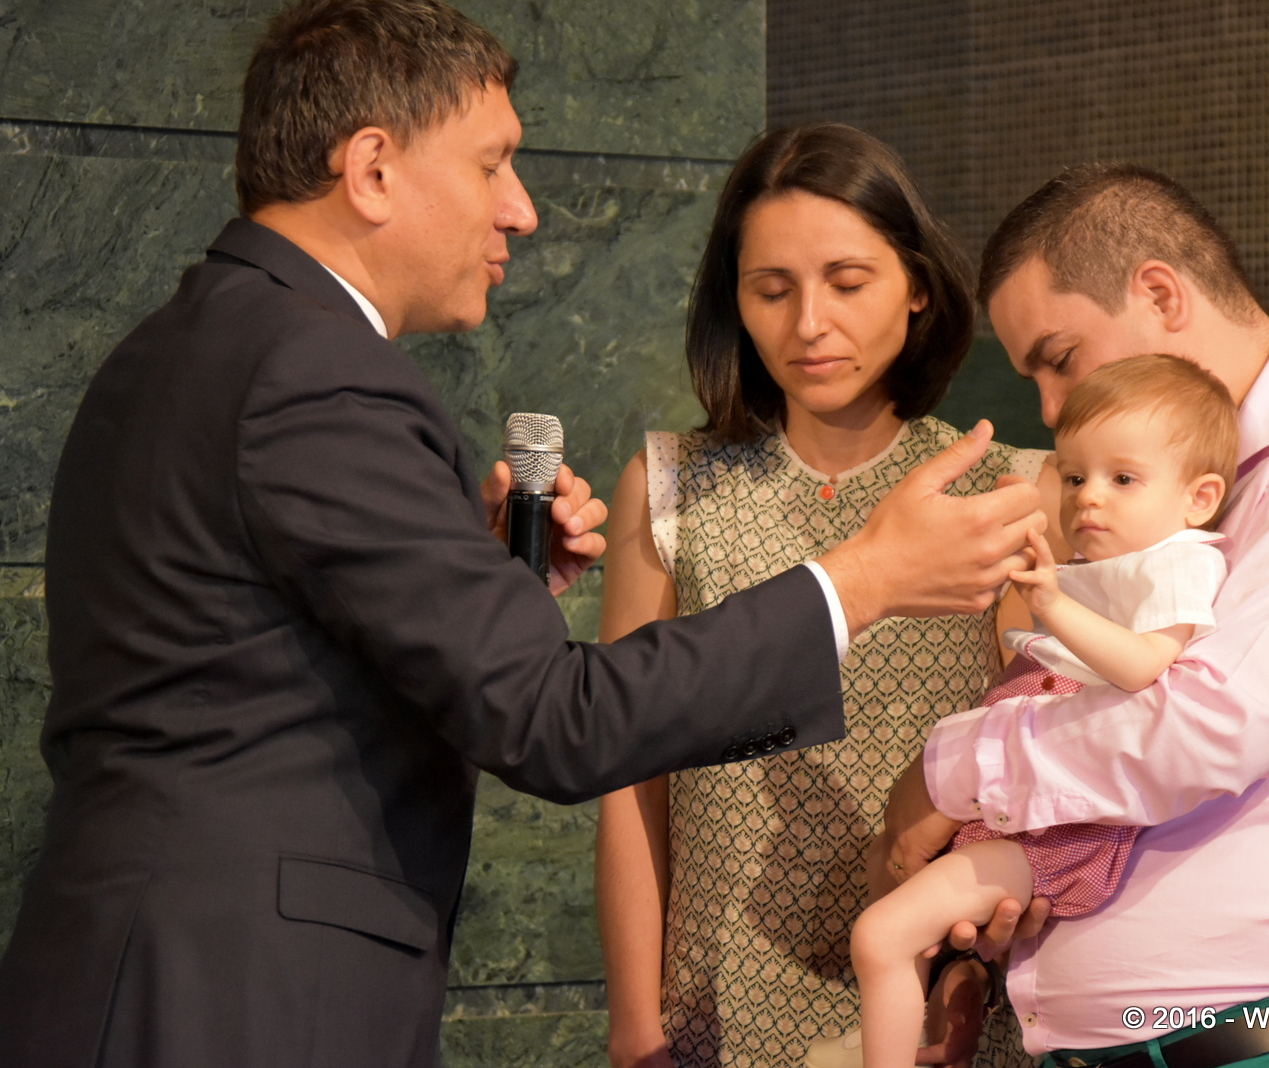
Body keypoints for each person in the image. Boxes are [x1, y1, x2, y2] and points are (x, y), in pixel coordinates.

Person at [0, 5, 1045, 1067]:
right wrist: (859, 580)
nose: (523, 210)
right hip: (227, 993)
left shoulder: (191, 341)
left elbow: (261, 652)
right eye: (492, 162)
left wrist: (481, 577)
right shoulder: (313, 373)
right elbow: (556, 722)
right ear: (372, 170)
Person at [876, 163, 1269, 1067]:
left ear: (1161, 294)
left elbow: (1207, 726)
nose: (1051, 409)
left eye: (1059, 358)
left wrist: (955, 769)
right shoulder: (1127, 499)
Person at [595, 123, 1052, 1068]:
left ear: (917, 285)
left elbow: (1042, 752)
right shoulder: (672, 486)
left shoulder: (1007, 490)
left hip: (942, 1004)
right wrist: (636, 1022)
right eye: (772, 290)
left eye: (847, 283)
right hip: (718, 1002)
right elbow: (628, 775)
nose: (809, 324)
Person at [838, 354, 1234, 1068]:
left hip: (1051, 826)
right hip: (1015, 801)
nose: (1089, 499)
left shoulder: (1182, 560)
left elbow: (1142, 665)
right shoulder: (1101, 567)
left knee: (881, 935)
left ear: (1199, 497)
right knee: (895, 884)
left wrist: (1050, 603)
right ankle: (937, 1016)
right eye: (1076, 478)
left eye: (1122, 479)